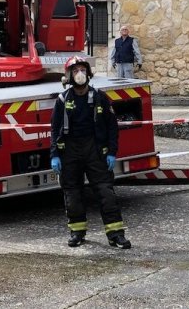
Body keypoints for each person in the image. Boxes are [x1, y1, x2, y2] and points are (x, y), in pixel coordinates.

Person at [49, 56, 132, 249]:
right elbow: (55, 129)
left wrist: (111, 152)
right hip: (70, 151)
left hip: (95, 150)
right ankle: (77, 232)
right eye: (76, 71)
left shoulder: (100, 97)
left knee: (105, 191)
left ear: (88, 73)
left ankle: (116, 235)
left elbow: (112, 127)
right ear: (69, 75)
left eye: (83, 70)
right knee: (73, 193)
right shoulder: (63, 100)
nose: (80, 74)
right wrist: (54, 155)